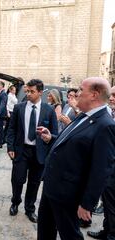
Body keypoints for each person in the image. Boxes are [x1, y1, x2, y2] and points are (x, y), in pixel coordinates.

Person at [37, 77, 115, 240]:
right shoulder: (84, 115)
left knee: (70, 235)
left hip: (68, 193)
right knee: (45, 230)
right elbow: (74, 142)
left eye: (80, 90)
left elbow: (101, 169)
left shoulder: (105, 125)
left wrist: (87, 204)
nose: (76, 93)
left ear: (94, 95)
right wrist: (51, 138)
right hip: (52, 186)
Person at [7, 79, 58, 223]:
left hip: (39, 153)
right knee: (17, 180)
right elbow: (11, 129)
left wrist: (49, 137)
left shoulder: (49, 111)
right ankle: (15, 202)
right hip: (21, 150)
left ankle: (30, 209)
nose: (28, 94)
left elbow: (55, 134)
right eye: (27, 91)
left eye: (32, 91)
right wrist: (10, 147)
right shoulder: (19, 108)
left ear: (40, 93)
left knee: (34, 183)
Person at [87, 85, 115, 240]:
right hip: (108, 170)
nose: (111, 98)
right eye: (110, 95)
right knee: (108, 204)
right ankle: (106, 231)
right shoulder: (110, 114)